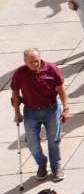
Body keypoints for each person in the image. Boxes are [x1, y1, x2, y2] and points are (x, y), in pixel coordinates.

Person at [10, 48, 69, 181]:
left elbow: (61, 89)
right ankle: (42, 164)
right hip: (31, 112)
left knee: (54, 140)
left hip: (51, 109)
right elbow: (15, 93)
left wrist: (66, 108)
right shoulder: (20, 73)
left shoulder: (51, 68)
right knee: (31, 143)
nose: (34, 64)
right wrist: (17, 112)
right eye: (31, 62)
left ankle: (56, 166)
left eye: (36, 61)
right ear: (25, 61)